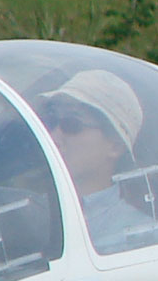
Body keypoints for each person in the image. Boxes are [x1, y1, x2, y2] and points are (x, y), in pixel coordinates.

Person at [39, 69, 148, 254]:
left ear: (115, 146)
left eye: (72, 125)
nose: (53, 137)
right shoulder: (27, 216)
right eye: (51, 121)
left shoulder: (140, 236)